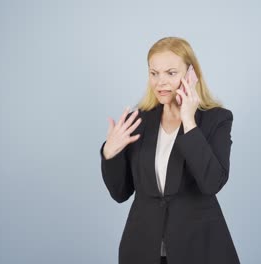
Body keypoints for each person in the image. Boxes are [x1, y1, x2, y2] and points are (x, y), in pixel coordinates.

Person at [100, 36, 240, 264]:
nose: (160, 82)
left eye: (171, 73)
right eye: (154, 73)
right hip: (143, 249)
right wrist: (110, 154)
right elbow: (120, 193)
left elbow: (212, 183)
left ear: (191, 74)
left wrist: (188, 121)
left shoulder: (217, 119)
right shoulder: (139, 120)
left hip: (199, 248)